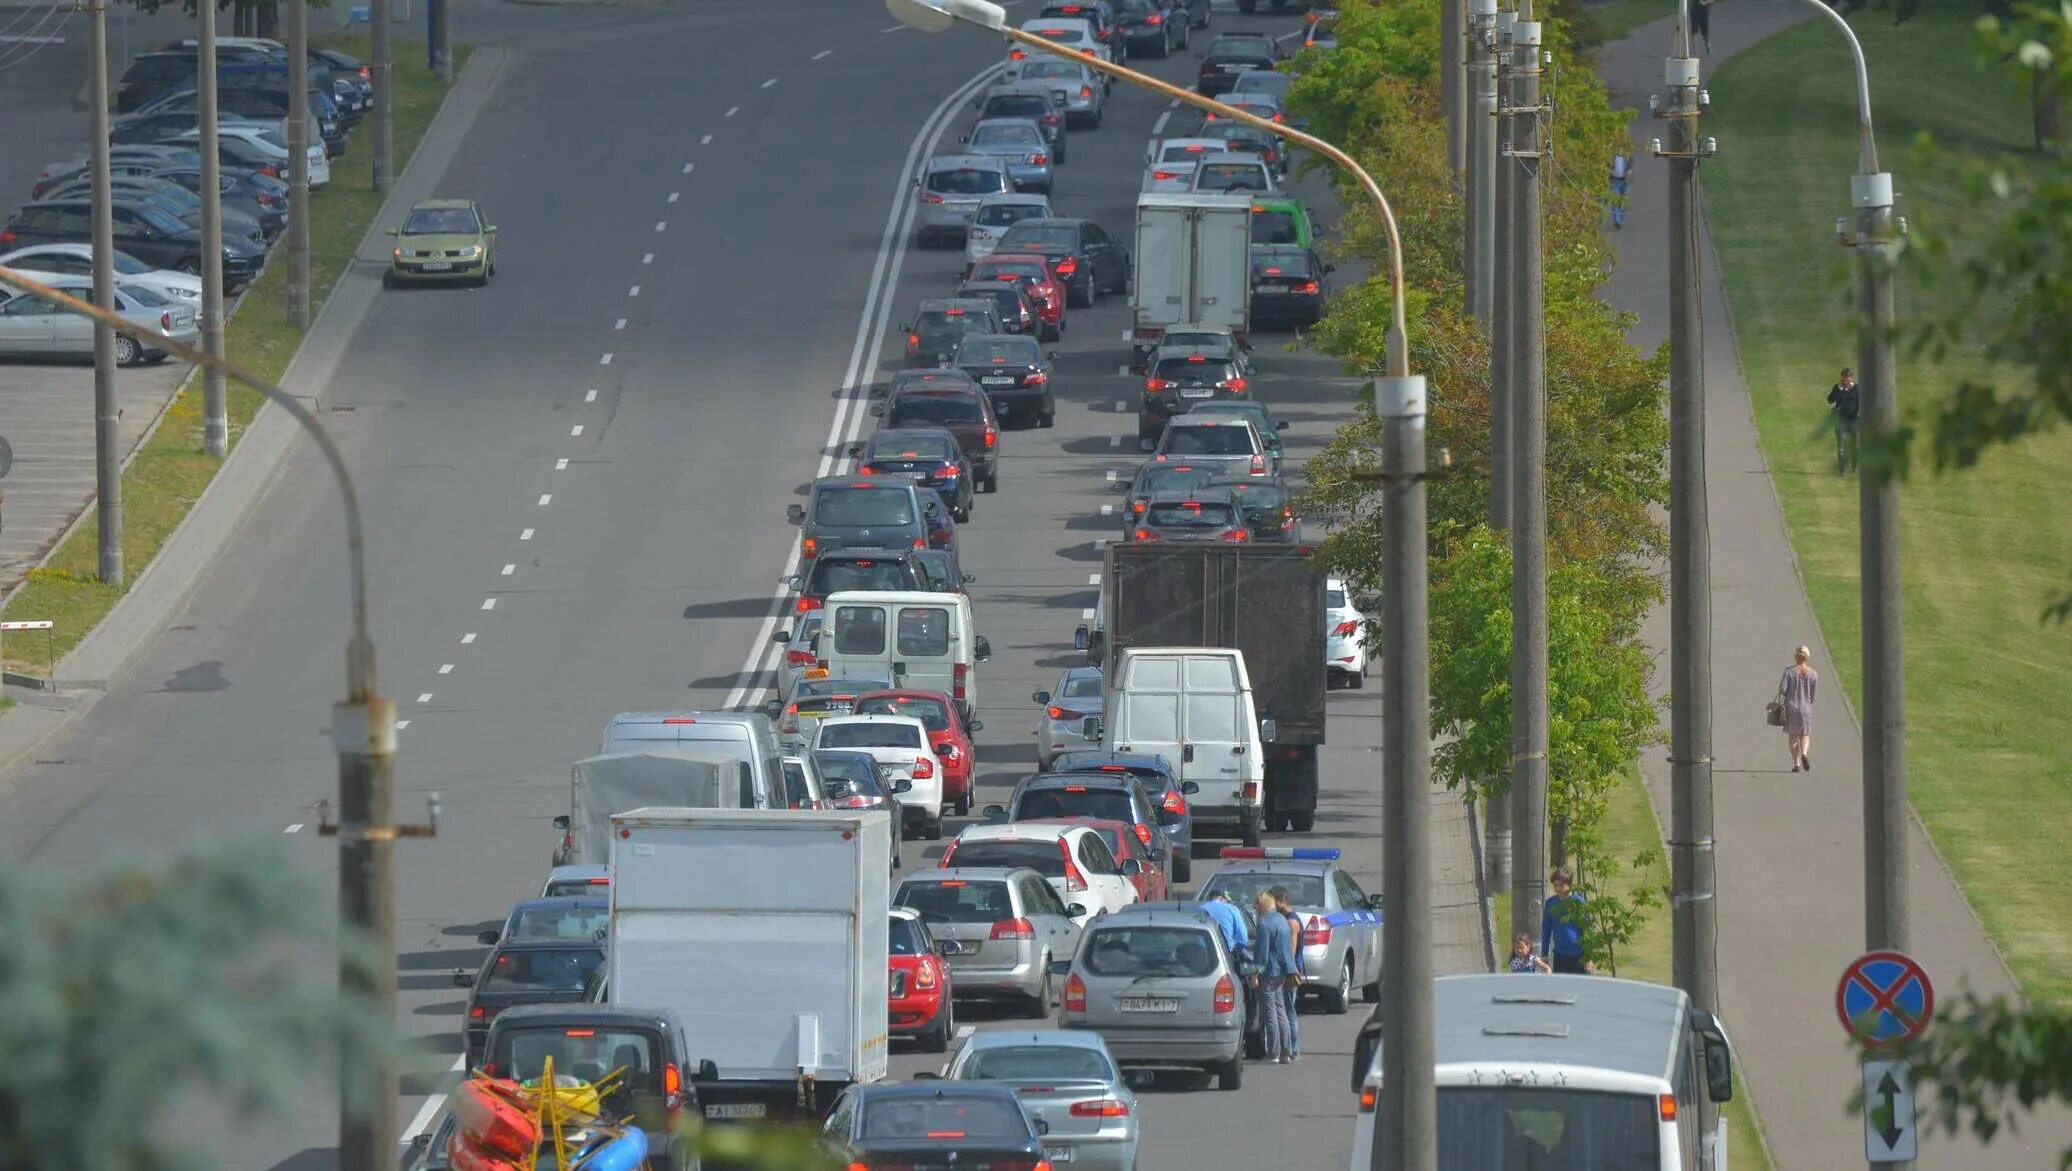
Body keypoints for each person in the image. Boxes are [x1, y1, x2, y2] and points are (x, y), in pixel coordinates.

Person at [1251, 890, 1297, 1064]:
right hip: (1283, 971)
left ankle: (1273, 1053)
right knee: (1281, 1012)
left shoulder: (1264, 924)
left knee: (1270, 1013)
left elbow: (1262, 954)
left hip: (1269, 971)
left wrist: (1256, 973)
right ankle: (1286, 1052)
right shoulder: (1282, 920)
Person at [1272, 886, 1305, 1061]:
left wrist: (1286, 972)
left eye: (1275, 902)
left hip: (1290, 972)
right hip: (1290, 970)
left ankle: (1293, 1049)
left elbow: (1291, 951)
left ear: (1283, 900)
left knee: (1288, 1011)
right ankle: (1291, 1048)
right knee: (1287, 1010)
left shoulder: (1291, 921)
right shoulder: (1287, 919)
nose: (1273, 906)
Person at [1540, 870, 1590, 975]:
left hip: (1578, 955)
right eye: (1555, 885)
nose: (1558, 889)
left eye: (1561, 885)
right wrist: (1544, 954)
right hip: (1560, 954)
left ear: (1569, 885)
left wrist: (1588, 957)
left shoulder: (1578, 902)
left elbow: (1587, 929)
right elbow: (1546, 930)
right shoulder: (1550, 903)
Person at [1779, 645, 1819, 772]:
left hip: (1792, 707)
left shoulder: (1789, 672)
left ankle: (1796, 763)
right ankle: (1804, 754)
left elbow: (1782, 689)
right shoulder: (1813, 674)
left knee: (1793, 736)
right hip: (1806, 707)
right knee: (1804, 734)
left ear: (1796, 656)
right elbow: (1813, 694)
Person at [1201, 890, 1251, 961]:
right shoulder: (1232, 909)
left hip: (1204, 952)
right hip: (1227, 951)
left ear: (1210, 898)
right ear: (1223, 899)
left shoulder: (1201, 909)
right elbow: (1242, 935)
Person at [1827, 367, 1860, 474]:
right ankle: (1843, 469)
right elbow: (1830, 400)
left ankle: (1855, 467)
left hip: (1854, 421)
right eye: (1844, 379)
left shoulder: (1857, 389)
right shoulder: (1838, 388)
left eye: (1848, 379)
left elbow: (1863, 402)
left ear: (1851, 378)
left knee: (1856, 446)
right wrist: (1839, 390)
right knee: (1842, 446)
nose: (1846, 381)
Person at [1609, 150, 1632, 230]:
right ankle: (1617, 221)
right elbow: (1607, 166)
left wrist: (1628, 172)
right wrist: (1609, 171)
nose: (1619, 150)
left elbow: (1631, 163)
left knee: (1622, 202)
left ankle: (1620, 220)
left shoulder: (1627, 156)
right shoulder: (1611, 156)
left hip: (1625, 181)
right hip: (1614, 181)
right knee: (1615, 201)